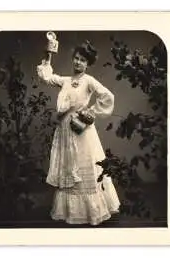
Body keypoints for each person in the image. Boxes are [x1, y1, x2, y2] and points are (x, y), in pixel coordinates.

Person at [36, 40, 120, 225]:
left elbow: (107, 96)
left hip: (81, 128)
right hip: (66, 129)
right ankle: (71, 212)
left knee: (85, 164)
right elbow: (48, 77)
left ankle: (92, 212)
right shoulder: (66, 81)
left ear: (87, 63)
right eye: (76, 58)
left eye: (82, 60)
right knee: (69, 166)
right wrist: (49, 55)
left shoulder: (88, 81)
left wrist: (90, 112)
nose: (78, 62)